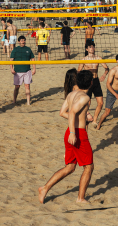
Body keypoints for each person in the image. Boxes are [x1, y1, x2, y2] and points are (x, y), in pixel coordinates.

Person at [38, 70, 94, 204]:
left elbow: (62, 113)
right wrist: (74, 133)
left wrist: (84, 117)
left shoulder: (71, 94)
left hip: (69, 132)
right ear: (91, 83)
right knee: (88, 167)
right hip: (78, 134)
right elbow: (73, 112)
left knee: (70, 167)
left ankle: (44, 188)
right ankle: (80, 198)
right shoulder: (85, 97)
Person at [78, 40, 109, 126]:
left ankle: (94, 120)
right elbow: (79, 72)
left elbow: (107, 68)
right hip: (87, 82)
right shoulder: (83, 59)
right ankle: (86, 115)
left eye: (93, 46)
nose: (92, 48)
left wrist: (104, 75)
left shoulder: (98, 58)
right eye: (90, 47)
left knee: (101, 103)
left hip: (96, 81)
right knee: (87, 103)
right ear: (87, 49)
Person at [10, 36, 36, 105]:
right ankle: (14, 100)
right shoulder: (15, 49)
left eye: (24, 40)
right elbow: (11, 60)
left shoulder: (28, 49)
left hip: (27, 71)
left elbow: (32, 59)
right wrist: (11, 69)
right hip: (18, 71)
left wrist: (34, 69)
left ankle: (28, 102)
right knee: (17, 87)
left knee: (27, 86)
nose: (23, 41)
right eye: (21, 40)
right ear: (18, 41)